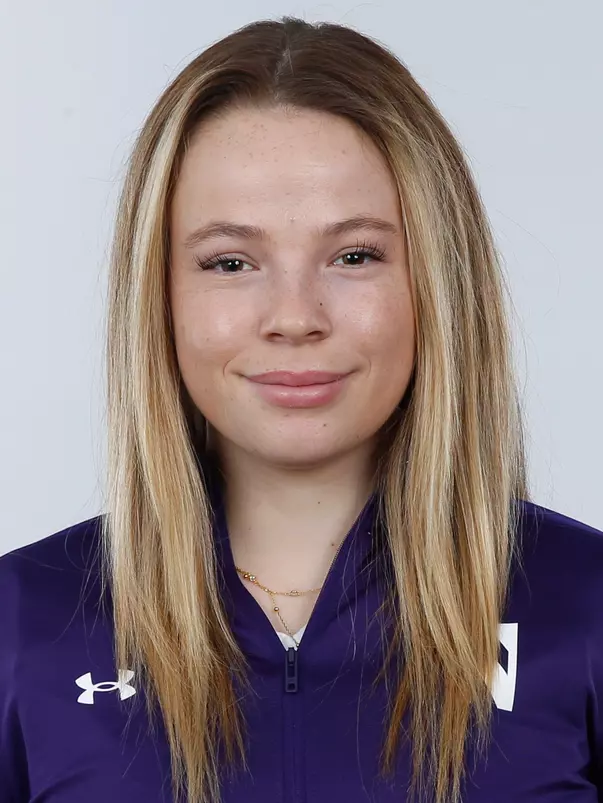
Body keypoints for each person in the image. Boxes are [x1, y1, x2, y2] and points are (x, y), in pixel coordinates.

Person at [1, 14, 602, 803]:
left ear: (437, 283)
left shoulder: (585, 607)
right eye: (230, 261)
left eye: (354, 255)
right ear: (159, 295)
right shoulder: (23, 623)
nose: (293, 316)